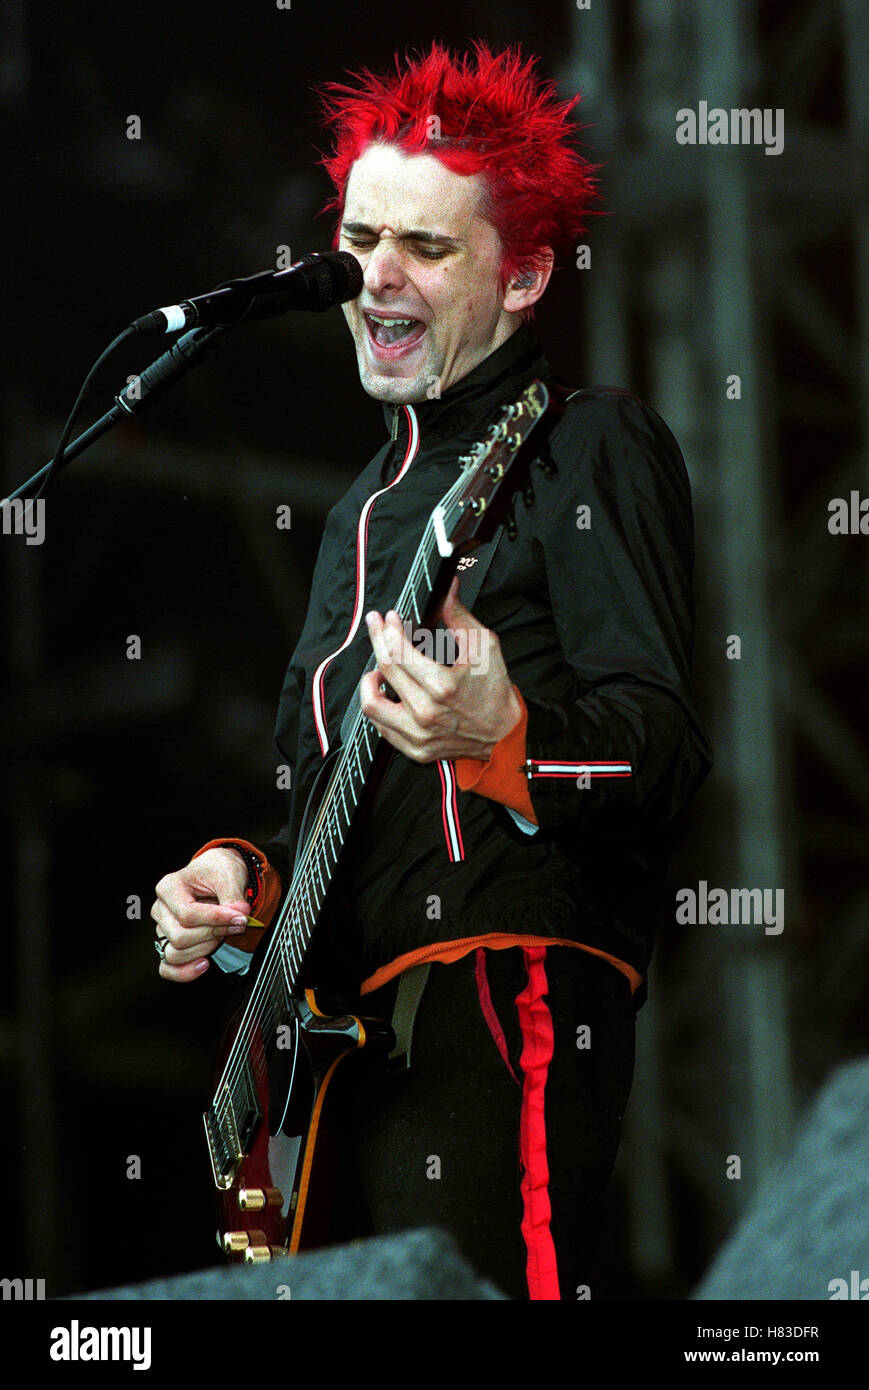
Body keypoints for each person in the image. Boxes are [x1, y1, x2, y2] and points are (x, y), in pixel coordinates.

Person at [149, 41, 712, 1300]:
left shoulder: (580, 444)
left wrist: (502, 730)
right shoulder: (353, 521)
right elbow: (330, 815)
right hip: (335, 1057)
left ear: (522, 277)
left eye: (427, 248)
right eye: (359, 241)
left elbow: (660, 740)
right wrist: (236, 878)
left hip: (496, 991)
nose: (376, 277)